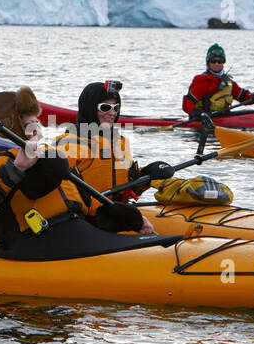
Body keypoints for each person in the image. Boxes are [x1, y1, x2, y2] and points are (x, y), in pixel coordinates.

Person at [0, 86, 151, 256]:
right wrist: (17, 168)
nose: (37, 129)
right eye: (30, 124)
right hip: (32, 244)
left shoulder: (47, 155)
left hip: (73, 230)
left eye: (37, 122)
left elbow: (87, 202)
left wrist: (127, 219)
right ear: (12, 126)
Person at [55, 81, 174, 233]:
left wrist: (147, 176)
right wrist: (109, 211)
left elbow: (127, 184)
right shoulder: (70, 143)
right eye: (105, 107)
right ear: (89, 109)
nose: (112, 113)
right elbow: (65, 192)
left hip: (116, 216)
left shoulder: (119, 142)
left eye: (115, 108)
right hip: (86, 221)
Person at [181, 43, 254, 117]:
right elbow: (187, 103)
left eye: (219, 61)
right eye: (213, 61)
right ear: (208, 62)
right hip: (205, 121)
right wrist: (198, 114)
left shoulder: (228, 82)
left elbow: (243, 96)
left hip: (224, 118)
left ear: (223, 63)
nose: (216, 64)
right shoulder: (203, 80)